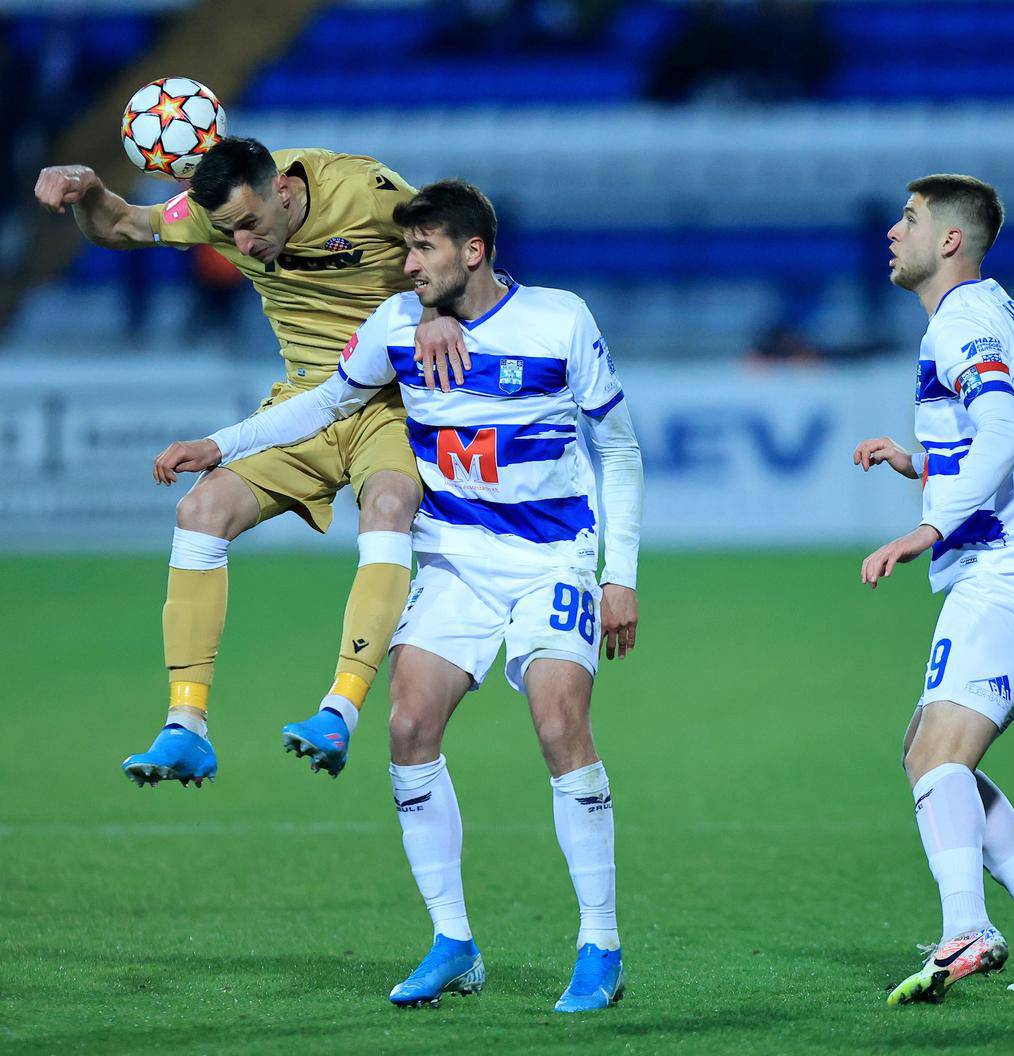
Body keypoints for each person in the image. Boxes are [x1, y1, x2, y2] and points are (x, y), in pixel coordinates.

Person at [154, 180, 642, 1012]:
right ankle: (453, 941)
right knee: (410, 727)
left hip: (553, 560)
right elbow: (323, 402)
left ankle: (601, 945)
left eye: (421, 251)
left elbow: (619, 449)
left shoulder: (561, 318)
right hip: (453, 558)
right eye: (405, 249)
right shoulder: (395, 326)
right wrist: (222, 442)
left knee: (560, 722)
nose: (406, 264)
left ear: (472, 251)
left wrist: (619, 575)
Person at [35, 137, 470, 786]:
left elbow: (460, 247)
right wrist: (91, 194)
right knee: (200, 508)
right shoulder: (216, 213)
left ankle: (339, 710)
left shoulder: (365, 192)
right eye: (227, 231)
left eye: (249, 226)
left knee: (387, 506)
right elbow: (124, 225)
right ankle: (186, 726)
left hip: (395, 401)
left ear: (285, 193)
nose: (239, 245)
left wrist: (438, 309)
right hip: (305, 404)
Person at [854, 175, 1014, 1006]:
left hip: (1009, 570)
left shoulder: (958, 322)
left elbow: (999, 429)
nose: (894, 231)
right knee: (934, 755)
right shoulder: (1001, 312)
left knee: (935, 756)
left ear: (950, 240)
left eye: (911, 219)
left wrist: (930, 526)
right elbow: (1008, 434)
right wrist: (920, 464)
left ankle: (968, 925)